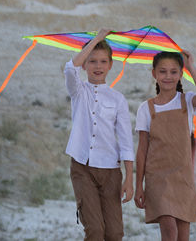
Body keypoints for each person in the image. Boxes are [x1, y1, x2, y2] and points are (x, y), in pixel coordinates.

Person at [62, 29, 134, 241]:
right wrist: (97, 40)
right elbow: (69, 68)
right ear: (85, 65)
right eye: (92, 61)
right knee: (94, 231)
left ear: (110, 65)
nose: (98, 66)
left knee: (114, 234)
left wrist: (129, 178)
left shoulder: (118, 99)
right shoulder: (78, 91)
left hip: (111, 171)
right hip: (82, 167)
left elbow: (126, 141)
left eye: (103, 61)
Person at [134, 51, 196, 241]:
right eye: (162, 72)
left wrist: (191, 66)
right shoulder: (146, 108)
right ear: (154, 74)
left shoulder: (187, 101)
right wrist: (139, 186)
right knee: (169, 231)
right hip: (157, 179)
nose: (168, 77)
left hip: (182, 179)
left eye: (173, 72)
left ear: (180, 74)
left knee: (183, 236)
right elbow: (142, 150)